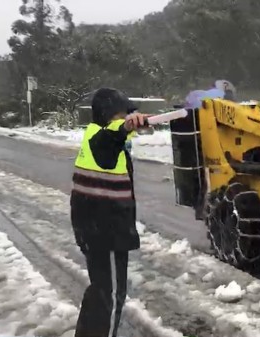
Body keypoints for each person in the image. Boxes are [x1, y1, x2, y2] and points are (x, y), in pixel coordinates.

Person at [70, 87, 149, 337]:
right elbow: (110, 138)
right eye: (122, 114)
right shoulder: (100, 139)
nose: (126, 119)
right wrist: (124, 127)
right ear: (108, 116)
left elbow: (114, 138)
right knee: (112, 294)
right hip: (104, 229)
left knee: (102, 290)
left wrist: (126, 128)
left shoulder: (100, 137)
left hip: (96, 226)